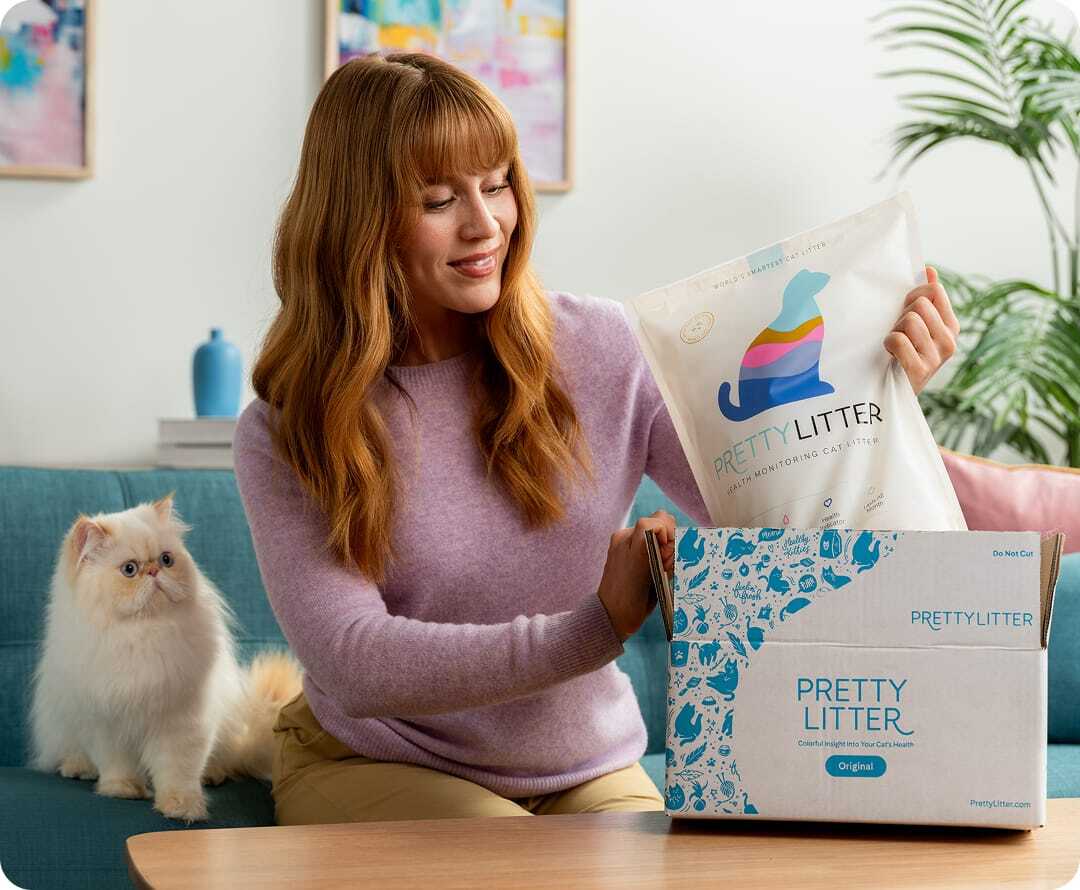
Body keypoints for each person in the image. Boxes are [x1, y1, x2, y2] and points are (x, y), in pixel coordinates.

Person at [232, 52, 959, 825]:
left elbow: (766, 510)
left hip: (584, 765)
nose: (486, 225)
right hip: (375, 758)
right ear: (357, 219)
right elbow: (353, 662)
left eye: (498, 183)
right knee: (524, 867)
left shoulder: (601, 348)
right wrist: (598, 626)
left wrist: (873, 403)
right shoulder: (287, 429)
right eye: (440, 198)